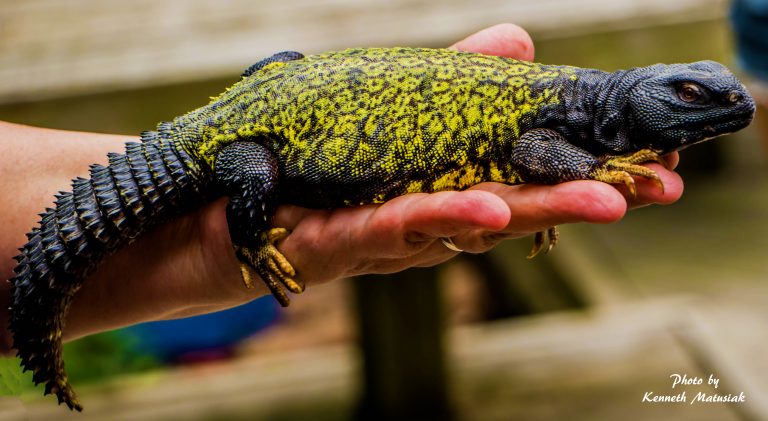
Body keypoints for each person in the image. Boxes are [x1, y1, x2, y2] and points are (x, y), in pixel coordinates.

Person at [0, 24, 683, 355]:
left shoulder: (575, 106)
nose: (715, 107)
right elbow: (536, 148)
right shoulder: (572, 117)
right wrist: (591, 171)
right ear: (638, 98)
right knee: (255, 175)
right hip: (249, 141)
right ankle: (248, 239)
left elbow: (535, 147)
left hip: (272, 96)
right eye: (686, 96)